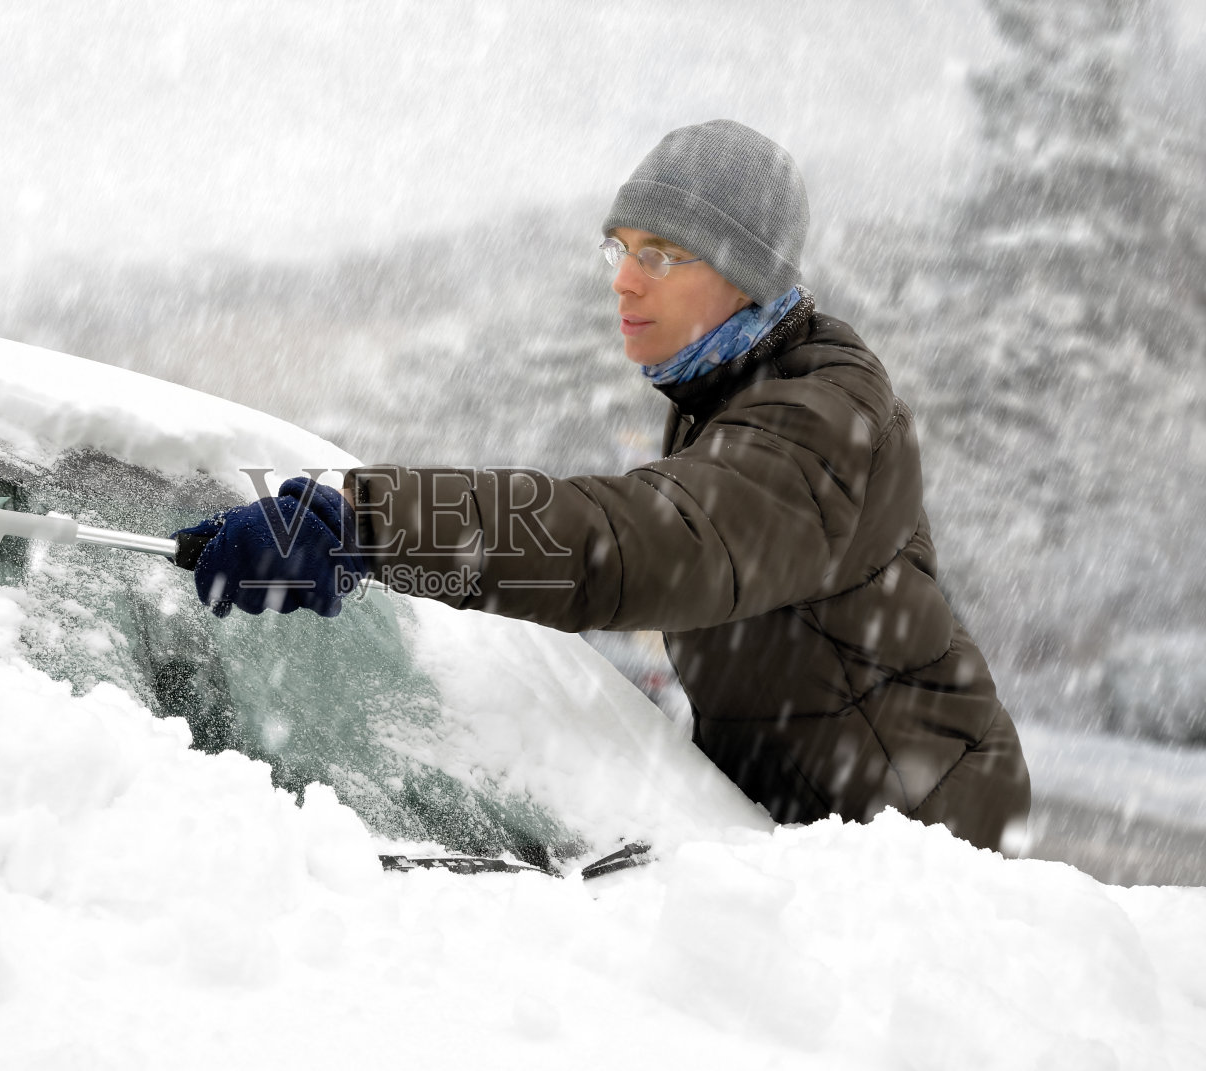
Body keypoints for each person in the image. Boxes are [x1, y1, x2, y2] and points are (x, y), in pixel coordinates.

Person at [172, 119, 1032, 855]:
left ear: (746, 277)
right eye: (620, 249)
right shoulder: (727, 392)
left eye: (660, 255)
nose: (623, 278)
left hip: (927, 848)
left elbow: (636, 543)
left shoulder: (818, 416)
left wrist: (367, 526)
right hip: (837, 837)